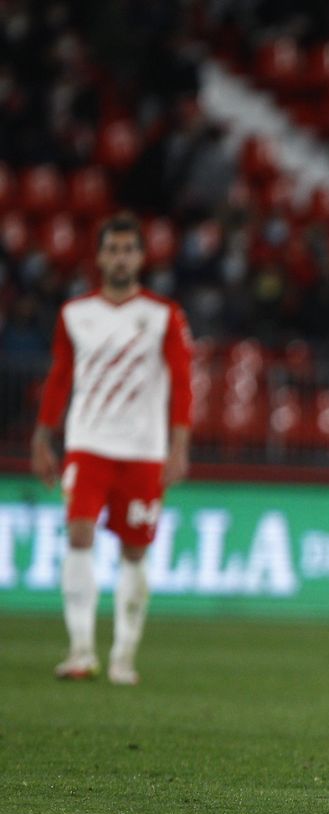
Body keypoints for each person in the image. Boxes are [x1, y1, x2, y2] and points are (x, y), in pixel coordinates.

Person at [30, 213, 195, 685]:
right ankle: (81, 649)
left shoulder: (164, 315)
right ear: (100, 257)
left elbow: (182, 384)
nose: (121, 257)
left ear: (141, 258)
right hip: (88, 444)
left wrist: (179, 446)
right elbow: (60, 377)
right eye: (113, 249)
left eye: (129, 249)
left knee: (134, 552)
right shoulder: (75, 315)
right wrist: (44, 435)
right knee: (79, 536)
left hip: (143, 450)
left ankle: (124, 654)